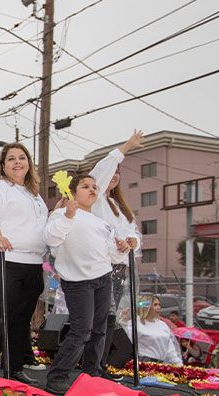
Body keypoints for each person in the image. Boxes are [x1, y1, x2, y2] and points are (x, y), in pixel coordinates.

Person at [0, 143, 49, 383]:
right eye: (11, 158)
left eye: (22, 158)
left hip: (31, 262)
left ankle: (13, 368)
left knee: (20, 318)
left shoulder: (34, 195)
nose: (17, 162)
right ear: (3, 165)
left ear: (28, 163)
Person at [43, 173, 124, 394]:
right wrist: (69, 214)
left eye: (94, 187)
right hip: (78, 281)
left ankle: (92, 375)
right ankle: (57, 376)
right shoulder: (60, 214)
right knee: (81, 330)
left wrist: (121, 248)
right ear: (72, 191)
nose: (92, 190)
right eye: (85, 186)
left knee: (99, 329)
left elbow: (113, 256)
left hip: (103, 278)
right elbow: (51, 240)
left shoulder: (102, 223)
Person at [87, 130, 144, 377]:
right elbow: (101, 170)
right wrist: (126, 147)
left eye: (118, 174)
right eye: (112, 172)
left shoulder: (120, 207)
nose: (114, 176)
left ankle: (100, 364)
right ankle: (93, 365)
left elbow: (134, 234)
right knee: (100, 317)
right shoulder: (96, 199)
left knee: (110, 318)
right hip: (100, 265)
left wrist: (131, 242)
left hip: (119, 267)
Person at [123, 295, 183, 365]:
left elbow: (170, 350)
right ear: (147, 307)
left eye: (159, 305)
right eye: (155, 305)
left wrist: (179, 365)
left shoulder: (163, 325)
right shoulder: (134, 324)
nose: (159, 308)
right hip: (143, 365)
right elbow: (127, 347)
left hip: (160, 366)